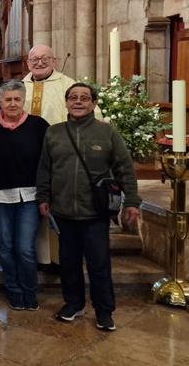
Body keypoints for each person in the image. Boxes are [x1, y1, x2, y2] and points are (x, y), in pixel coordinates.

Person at [36, 82, 141, 332]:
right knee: (69, 262)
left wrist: (133, 201)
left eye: (84, 98)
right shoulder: (54, 132)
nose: (78, 101)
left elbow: (124, 168)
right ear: (66, 103)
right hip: (63, 210)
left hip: (95, 211)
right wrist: (43, 197)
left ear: (93, 103)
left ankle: (104, 311)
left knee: (98, 263)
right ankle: (73, 303)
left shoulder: (107, 133)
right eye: (73, 97)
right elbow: (45, 169)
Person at [0, 80, 49, 312]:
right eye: (8, 99)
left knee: (25, 248)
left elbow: (47, 162)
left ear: (24, 101)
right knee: (6, 247)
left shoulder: (38, 126)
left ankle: (29, 291)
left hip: (30, 196)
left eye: (17, 99)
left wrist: (45, 195)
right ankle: (14, 290)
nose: (12, 103)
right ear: (0, 101)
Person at [22, 44, 77, 268]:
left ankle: (59, 257)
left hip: (59, 157)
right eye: (34, 59)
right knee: (33, 205)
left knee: (57, 205)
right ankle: (39, 257)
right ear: (28, 63)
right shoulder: (19, 87)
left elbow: (84, 116)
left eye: (45, 58)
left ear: (54, 60)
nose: (40, 62)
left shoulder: (68, 85)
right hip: (27, 159)